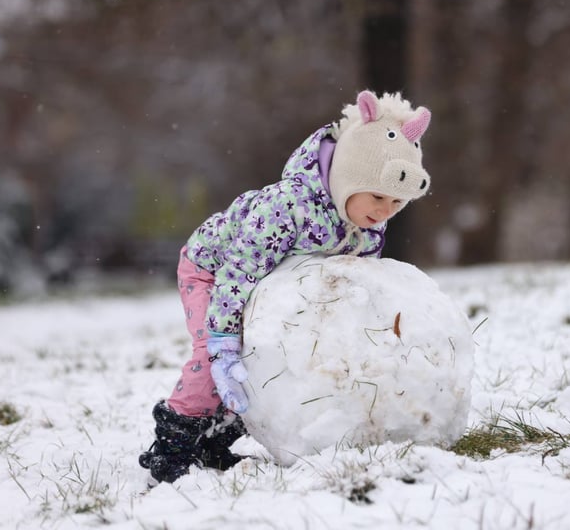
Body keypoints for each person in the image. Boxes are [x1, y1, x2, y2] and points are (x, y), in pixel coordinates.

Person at [139, 90, 432, 483]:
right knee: (221, 358)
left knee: (263, 359)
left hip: (268, 285)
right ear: (347, 177)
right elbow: (239, 270)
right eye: (377, 196)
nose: (383, 211)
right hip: (213, 270)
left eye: (396, 203)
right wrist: (223, 339)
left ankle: (215, 439)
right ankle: (174, 442)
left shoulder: (365, 224)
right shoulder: (287, 207)